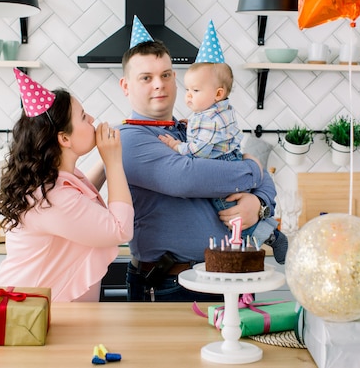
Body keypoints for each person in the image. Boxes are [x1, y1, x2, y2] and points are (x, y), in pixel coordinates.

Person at [117, 16, 278, 302]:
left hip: (229, 275)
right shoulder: (129, 138)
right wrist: (254, 169)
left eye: (166, 74)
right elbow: (186, 177)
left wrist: (259, 204)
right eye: (146, 77)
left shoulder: (190, 131)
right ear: (126, 86)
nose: (159, 84)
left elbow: (260, 181)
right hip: (171, 284)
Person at [0, 68, 134, 302]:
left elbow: (81, 197)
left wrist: (108, 159)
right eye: (83, 116)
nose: (92, 120)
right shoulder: (54, 197)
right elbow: (120, 229)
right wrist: (113, 162)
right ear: (64, 138)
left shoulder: (54, 181)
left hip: (35, 310)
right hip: (25, 315)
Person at [158, 21, 288, 264]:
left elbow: (199, 150)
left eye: (195, 90)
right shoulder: (216, 112)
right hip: (230, 160)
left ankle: (270, 235)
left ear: (218, 93)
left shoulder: (210, 119)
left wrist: (178, 146)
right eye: (187, 89)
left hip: (220, 165)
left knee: (229, 212)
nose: (188, 95)